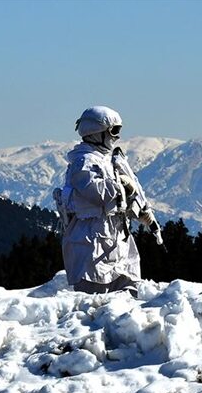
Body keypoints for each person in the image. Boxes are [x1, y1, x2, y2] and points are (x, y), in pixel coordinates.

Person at [59, 106, 155, 295]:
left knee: (127, 291)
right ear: (97, 132)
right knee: (95, 296)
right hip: (92, 239)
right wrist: (122, 184)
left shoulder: (109, 160)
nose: (117, 136)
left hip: (116, 235)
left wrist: (141, 209)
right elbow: (98, 193)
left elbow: (124, 194)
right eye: (114, 131)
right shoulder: (83, 162)